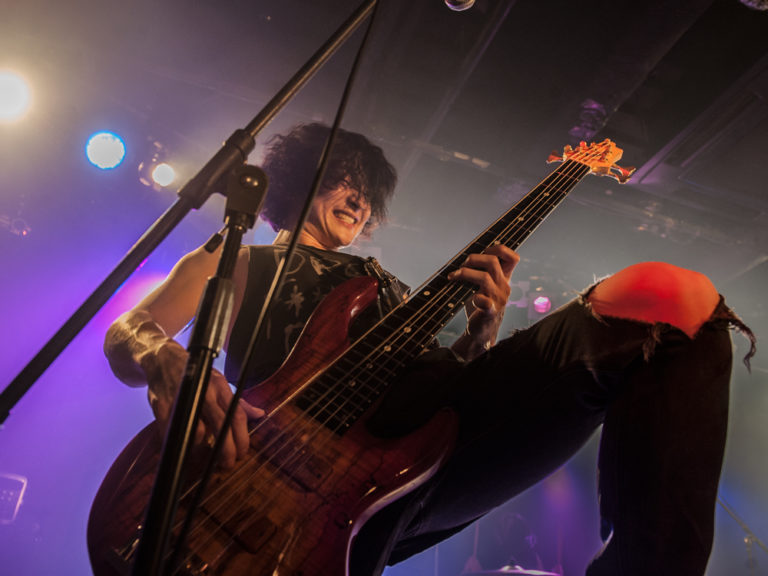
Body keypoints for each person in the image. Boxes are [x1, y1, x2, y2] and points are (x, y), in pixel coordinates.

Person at [103, 122, 755, 576]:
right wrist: (169, 358)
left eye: (369, 193)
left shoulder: (388, 287)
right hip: (263, 477)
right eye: (344, 180)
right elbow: (126, 331)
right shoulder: (237, 257)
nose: (360, 201)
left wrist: (480, 335)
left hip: (410, 470)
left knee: (672, 301)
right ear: (302, 179)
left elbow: (444, 390)